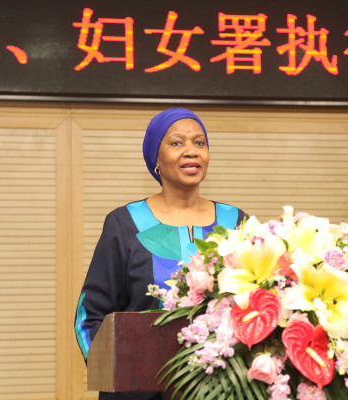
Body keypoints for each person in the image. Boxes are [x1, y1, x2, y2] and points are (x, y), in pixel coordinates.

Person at [74, 108, 246, 400]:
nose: (191, 151)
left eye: (199, 143)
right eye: (177, 143)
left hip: (223, 390)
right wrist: (117, 373)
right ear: (155, 158)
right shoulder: (125, 223)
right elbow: (89, 316)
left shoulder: (235, 222)